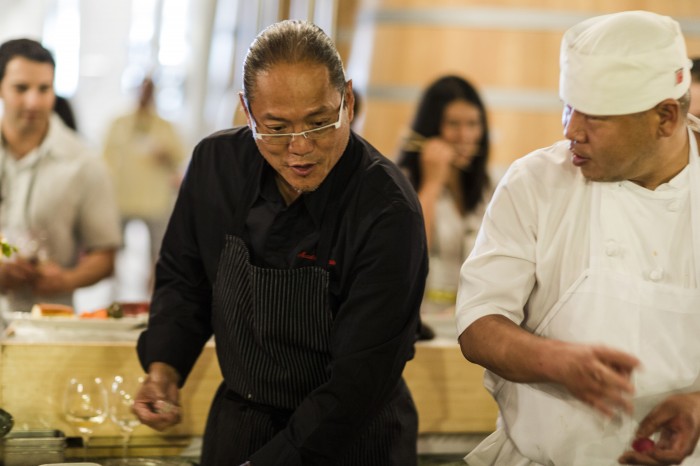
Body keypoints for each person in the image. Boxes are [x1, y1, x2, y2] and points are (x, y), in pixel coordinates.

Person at [133, 20, 428, 466]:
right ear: (246, 111)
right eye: (275, 128)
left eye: (319, 122)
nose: (300, 148)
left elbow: (361, 379)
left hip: (351, 438)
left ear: (347, 100)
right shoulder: (217, 166)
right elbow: (184, 279)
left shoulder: (387, 209)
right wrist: (164, 367)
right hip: (242, 426)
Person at [455, 10, 700, 466]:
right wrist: (554, 361)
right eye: (568, 106)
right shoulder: (535, 182)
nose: (570, 130)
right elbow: (477, 324)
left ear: (665, 117)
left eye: (594, 117)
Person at [0, 39, 121, 322]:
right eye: (21, 88)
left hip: (48, 325)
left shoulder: (84, 162)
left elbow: (105, 254)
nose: (33, 101)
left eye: (44, 89)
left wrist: (66, 279)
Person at [396, 75, 492, 339]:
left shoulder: (486, 187)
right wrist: (432, 183)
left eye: (473, 124)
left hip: (469, 324)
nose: (465, 135)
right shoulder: (401, 182)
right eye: (453, 124)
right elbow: (412, 251)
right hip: (421, 324)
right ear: (431, 128)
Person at [102, 76, 186, 287]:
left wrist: (164, 155)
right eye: (142, 89)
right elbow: (104, 158)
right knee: (114, 247)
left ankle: (154, 286)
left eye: (149, 89)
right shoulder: (118, 123)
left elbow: (179, 158)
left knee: (157, 249)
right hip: (123, 197)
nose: (145, 94)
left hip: (154, 199)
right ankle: (113, 287)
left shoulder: (165, 127)